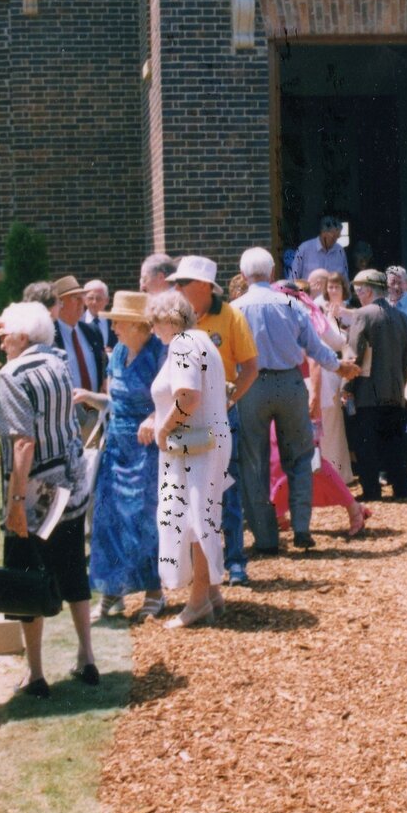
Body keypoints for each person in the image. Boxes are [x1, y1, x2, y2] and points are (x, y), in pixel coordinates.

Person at [0, 300, 97, 696]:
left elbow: (23, 442)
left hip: (36, 494)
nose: (1, 337)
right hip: (68, 489)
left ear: (23, 335)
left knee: (24, 576)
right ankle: (88, 657)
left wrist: (16, 502)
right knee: (73, 571)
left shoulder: (11, 374)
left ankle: (36, 674)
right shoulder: (58, 362)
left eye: (7, 332)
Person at [234, 247, 358, 554]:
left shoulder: (235, 309)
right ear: (273, 272)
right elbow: (315, 347)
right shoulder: (291, 304)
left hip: (252, 386)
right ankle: (302, 527)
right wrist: (338, 366)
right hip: (290, 383)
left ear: (244, 275)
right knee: (301, 457)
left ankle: (265, 538)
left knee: (254, 461)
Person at [139, 290, 232, 627]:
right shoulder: (201, 340)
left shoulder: (181, 345)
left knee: (194, 521)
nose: (153, 331)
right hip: (204, 442)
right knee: (199, 519)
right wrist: (158, 419)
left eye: (154, 323)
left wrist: (162, 430)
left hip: (194, 446)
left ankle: (197, 603)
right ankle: (210, 595)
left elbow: (188, 398)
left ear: (167, 319)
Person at [74, 291, 167, 621]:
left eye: (118, 322)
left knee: (144, 518)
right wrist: (91, 397)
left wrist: (155, 418)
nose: (112, 327)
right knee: (108, 519)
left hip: (147, 449)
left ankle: (155, 590)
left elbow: (172, 399)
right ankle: (112, 591)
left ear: (139, 326)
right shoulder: (116, 356)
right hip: (115, 447)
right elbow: (115, 401)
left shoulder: (160, 353)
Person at [167, 255, 259, 586]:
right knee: (186, 494)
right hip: (185, 419)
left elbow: (250, 366)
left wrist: (231, 399)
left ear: (205, 286)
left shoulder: (231, 317)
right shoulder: (176, 318)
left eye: (182, 283)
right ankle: (198, 570)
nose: (176, 288)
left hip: (219, 419)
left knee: (227, 491)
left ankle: (235, 562)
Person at [346, 269, 407, 502]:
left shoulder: (362, 315)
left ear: (368, 290)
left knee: (367, 445)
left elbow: (354, 355)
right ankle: (402, 487)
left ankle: (371, 490)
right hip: (394, 390)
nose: (357, 294)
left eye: (358, 290)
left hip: (368, 391)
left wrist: (346, 387)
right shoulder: (401, 317)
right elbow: (406, 358)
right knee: (394, 442)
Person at [314, 269, 354, 481]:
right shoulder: (320, 309)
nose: (333, 290)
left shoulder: (349, 310)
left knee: (338, 425)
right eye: (330, 287)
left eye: (336, 287)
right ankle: (327, 472)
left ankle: (341, 473)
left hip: (346, 366)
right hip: (329, 368)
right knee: (327, 425)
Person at [51, 274, 106, 399]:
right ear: (61, 303)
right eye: (76, 298)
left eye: (82, 297)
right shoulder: (50, 336)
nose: (83, 303)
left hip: (96, 410)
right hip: (67, 410)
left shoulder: (92, 331)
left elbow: (103, 363)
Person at [291, 216, 350, 284]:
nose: (335, 240)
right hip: (309, 294)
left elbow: (345, 280)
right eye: (333, 237)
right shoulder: (304, 249)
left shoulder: (340, 251)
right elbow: (293, 278)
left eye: (337, 237)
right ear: (323, 232)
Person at [82, 279, 118, 352]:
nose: (94, 302)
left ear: (107, 300)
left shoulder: (115, 323)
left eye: (98, 299)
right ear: (84, 300)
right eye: (90, 298)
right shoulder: (78, 323)